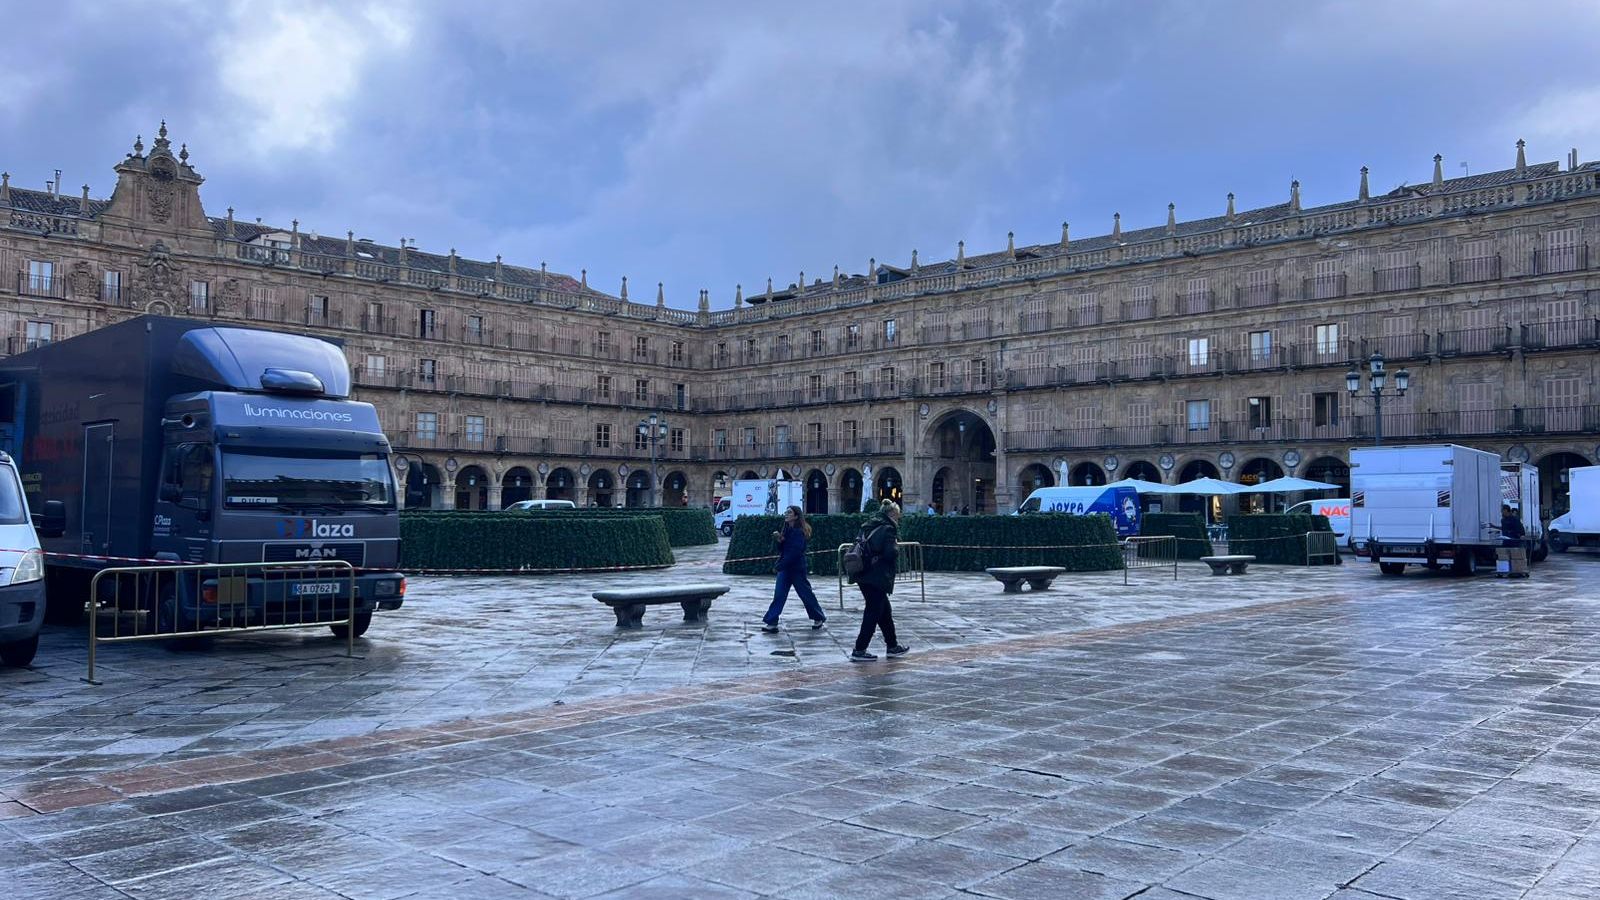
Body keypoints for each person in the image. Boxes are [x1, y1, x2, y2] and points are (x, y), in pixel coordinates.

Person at [850, 500, 909, 661]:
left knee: (884, 612)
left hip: (863, 572)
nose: (899, 518)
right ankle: (859, 649)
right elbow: (890, 553)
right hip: (876, 575)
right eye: (898, 515)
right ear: (891, 514)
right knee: (873, 612)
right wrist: (896, 547)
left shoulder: (869, 524)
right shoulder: (889, 529)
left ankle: (892, 646)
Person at [762, 506, 827, 633]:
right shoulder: (786, 529)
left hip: (796, 569)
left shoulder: (798, 532)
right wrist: (780, 541)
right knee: (779, 596)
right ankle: (772, 621)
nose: (786, 514)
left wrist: (779, 566)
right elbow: (782, 550)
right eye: (786, 512)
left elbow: (795, 552)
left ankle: (818, 617)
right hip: (785, 569)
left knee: (806, 595)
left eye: (789, 512)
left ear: (796, 516)